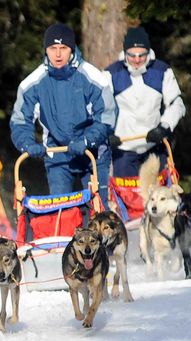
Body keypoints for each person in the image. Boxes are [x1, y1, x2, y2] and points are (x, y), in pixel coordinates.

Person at [10, 22, 117, 207]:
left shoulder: (93, 78)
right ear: (46, 50)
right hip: (57, 153)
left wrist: (87, 140)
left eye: (63, 48)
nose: (58, 54)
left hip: (92, 152)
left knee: (98, 212)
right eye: (53, 48)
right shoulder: (33, 83)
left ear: (72, 49)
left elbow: (107, 117)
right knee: (61, 212)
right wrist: (27, 143)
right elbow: (20, 120)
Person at [105, 26, 186, 179]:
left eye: (142, 55)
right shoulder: (111, 73)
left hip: (154, 144)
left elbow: (177, 104)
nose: (137, 60)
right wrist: (106, 132)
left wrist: (164, 127)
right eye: (132, 55)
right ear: (125, 53)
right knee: (127, 197)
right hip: (124, 147)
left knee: (159, 195)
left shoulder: (162, 71)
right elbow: (99, 107)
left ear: (148, 52)